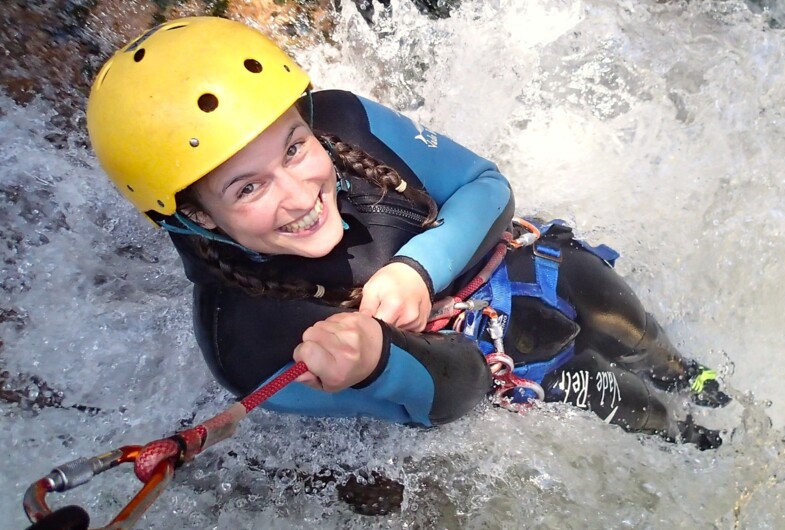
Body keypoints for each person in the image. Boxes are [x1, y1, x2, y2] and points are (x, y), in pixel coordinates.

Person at [86, 16, 730, 452]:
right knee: (653, 420)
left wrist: (417, 267)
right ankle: (708, 437)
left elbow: (486, 186)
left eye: (293, 147)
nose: (299, 194)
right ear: (195, 216)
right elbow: (457, 392)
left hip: (544, 272)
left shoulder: (346, 120)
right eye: (246, 188)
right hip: (508, 369)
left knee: (647, 343)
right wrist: (373, 360)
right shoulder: (248, 345)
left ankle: (705, 386)